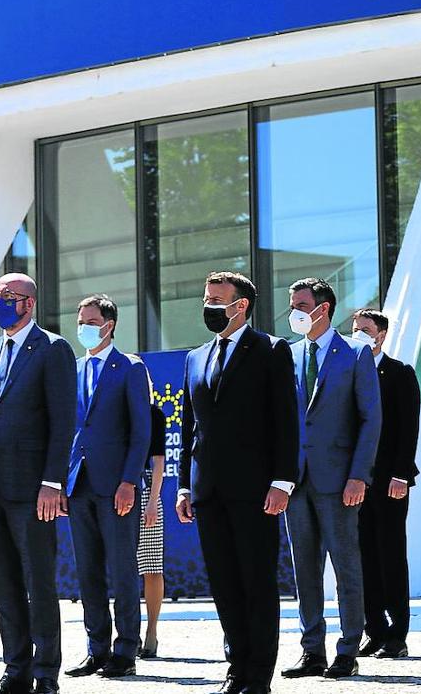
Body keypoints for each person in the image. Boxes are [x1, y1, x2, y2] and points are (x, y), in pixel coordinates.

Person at [175, 271, 298, 694]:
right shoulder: (195, 357)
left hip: (256, 489)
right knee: (225, 583)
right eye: (206, 298)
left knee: (256, 583)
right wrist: (185, 486)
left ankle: (258, 675)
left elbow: (285, 420)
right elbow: (192, 427)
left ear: (240, 305)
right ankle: (236, 668)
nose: (208, 306)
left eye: (216, 299)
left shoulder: (270, 350)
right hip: (207, 490)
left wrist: (283, 481)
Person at [0, 273, 76, 694]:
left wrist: (52, 481)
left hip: (33, 489)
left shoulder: (53, 349)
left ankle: (46, 673)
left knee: (38, 583)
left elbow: (63, 421)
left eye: (7, 297)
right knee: (3, 585)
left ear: (28, 303)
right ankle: (16, 671)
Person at [281, 278, 381, 680]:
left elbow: (370, 419)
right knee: (303, 570)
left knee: (346, 568)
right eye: (292, 304)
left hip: (339, 482)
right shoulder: (285, 355)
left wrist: (360, 475)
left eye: (301, 304)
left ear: (323, 309)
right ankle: (311, 651)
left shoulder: (355, 354)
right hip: (295, 482)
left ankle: (347, 650)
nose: (294, 312)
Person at [64, 295, 150, 680]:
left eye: (90, 320)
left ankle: (125, 650)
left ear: (109, 324)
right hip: (79, 485)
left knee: (122, 569)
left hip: (117, 486)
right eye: (80, 319)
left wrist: (130, 481)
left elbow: (141, 431)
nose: (83, 326)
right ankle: (96, 649)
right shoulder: (74, 368)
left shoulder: (130, 367)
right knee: (89, 573)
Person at [351, 308, 420, 659]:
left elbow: (408, 429)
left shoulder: (398, 373)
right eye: (354, 328)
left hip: (390, 478)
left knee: (391, 554)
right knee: (363, 556)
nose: (358, 333)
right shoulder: (348, 372)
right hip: (356, 481)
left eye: (365, 329)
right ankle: (374, 630)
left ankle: (398, 634)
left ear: (381, 335)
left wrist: (401, 474)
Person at [139, 389, 166, 659]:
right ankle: (127, 632)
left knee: (151, 565)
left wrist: (152, 501)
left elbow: (159, 462)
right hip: (116, 488)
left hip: (147, 490)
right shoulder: (115, 412)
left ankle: (151, 632)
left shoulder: (153, 414)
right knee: (122, 569)